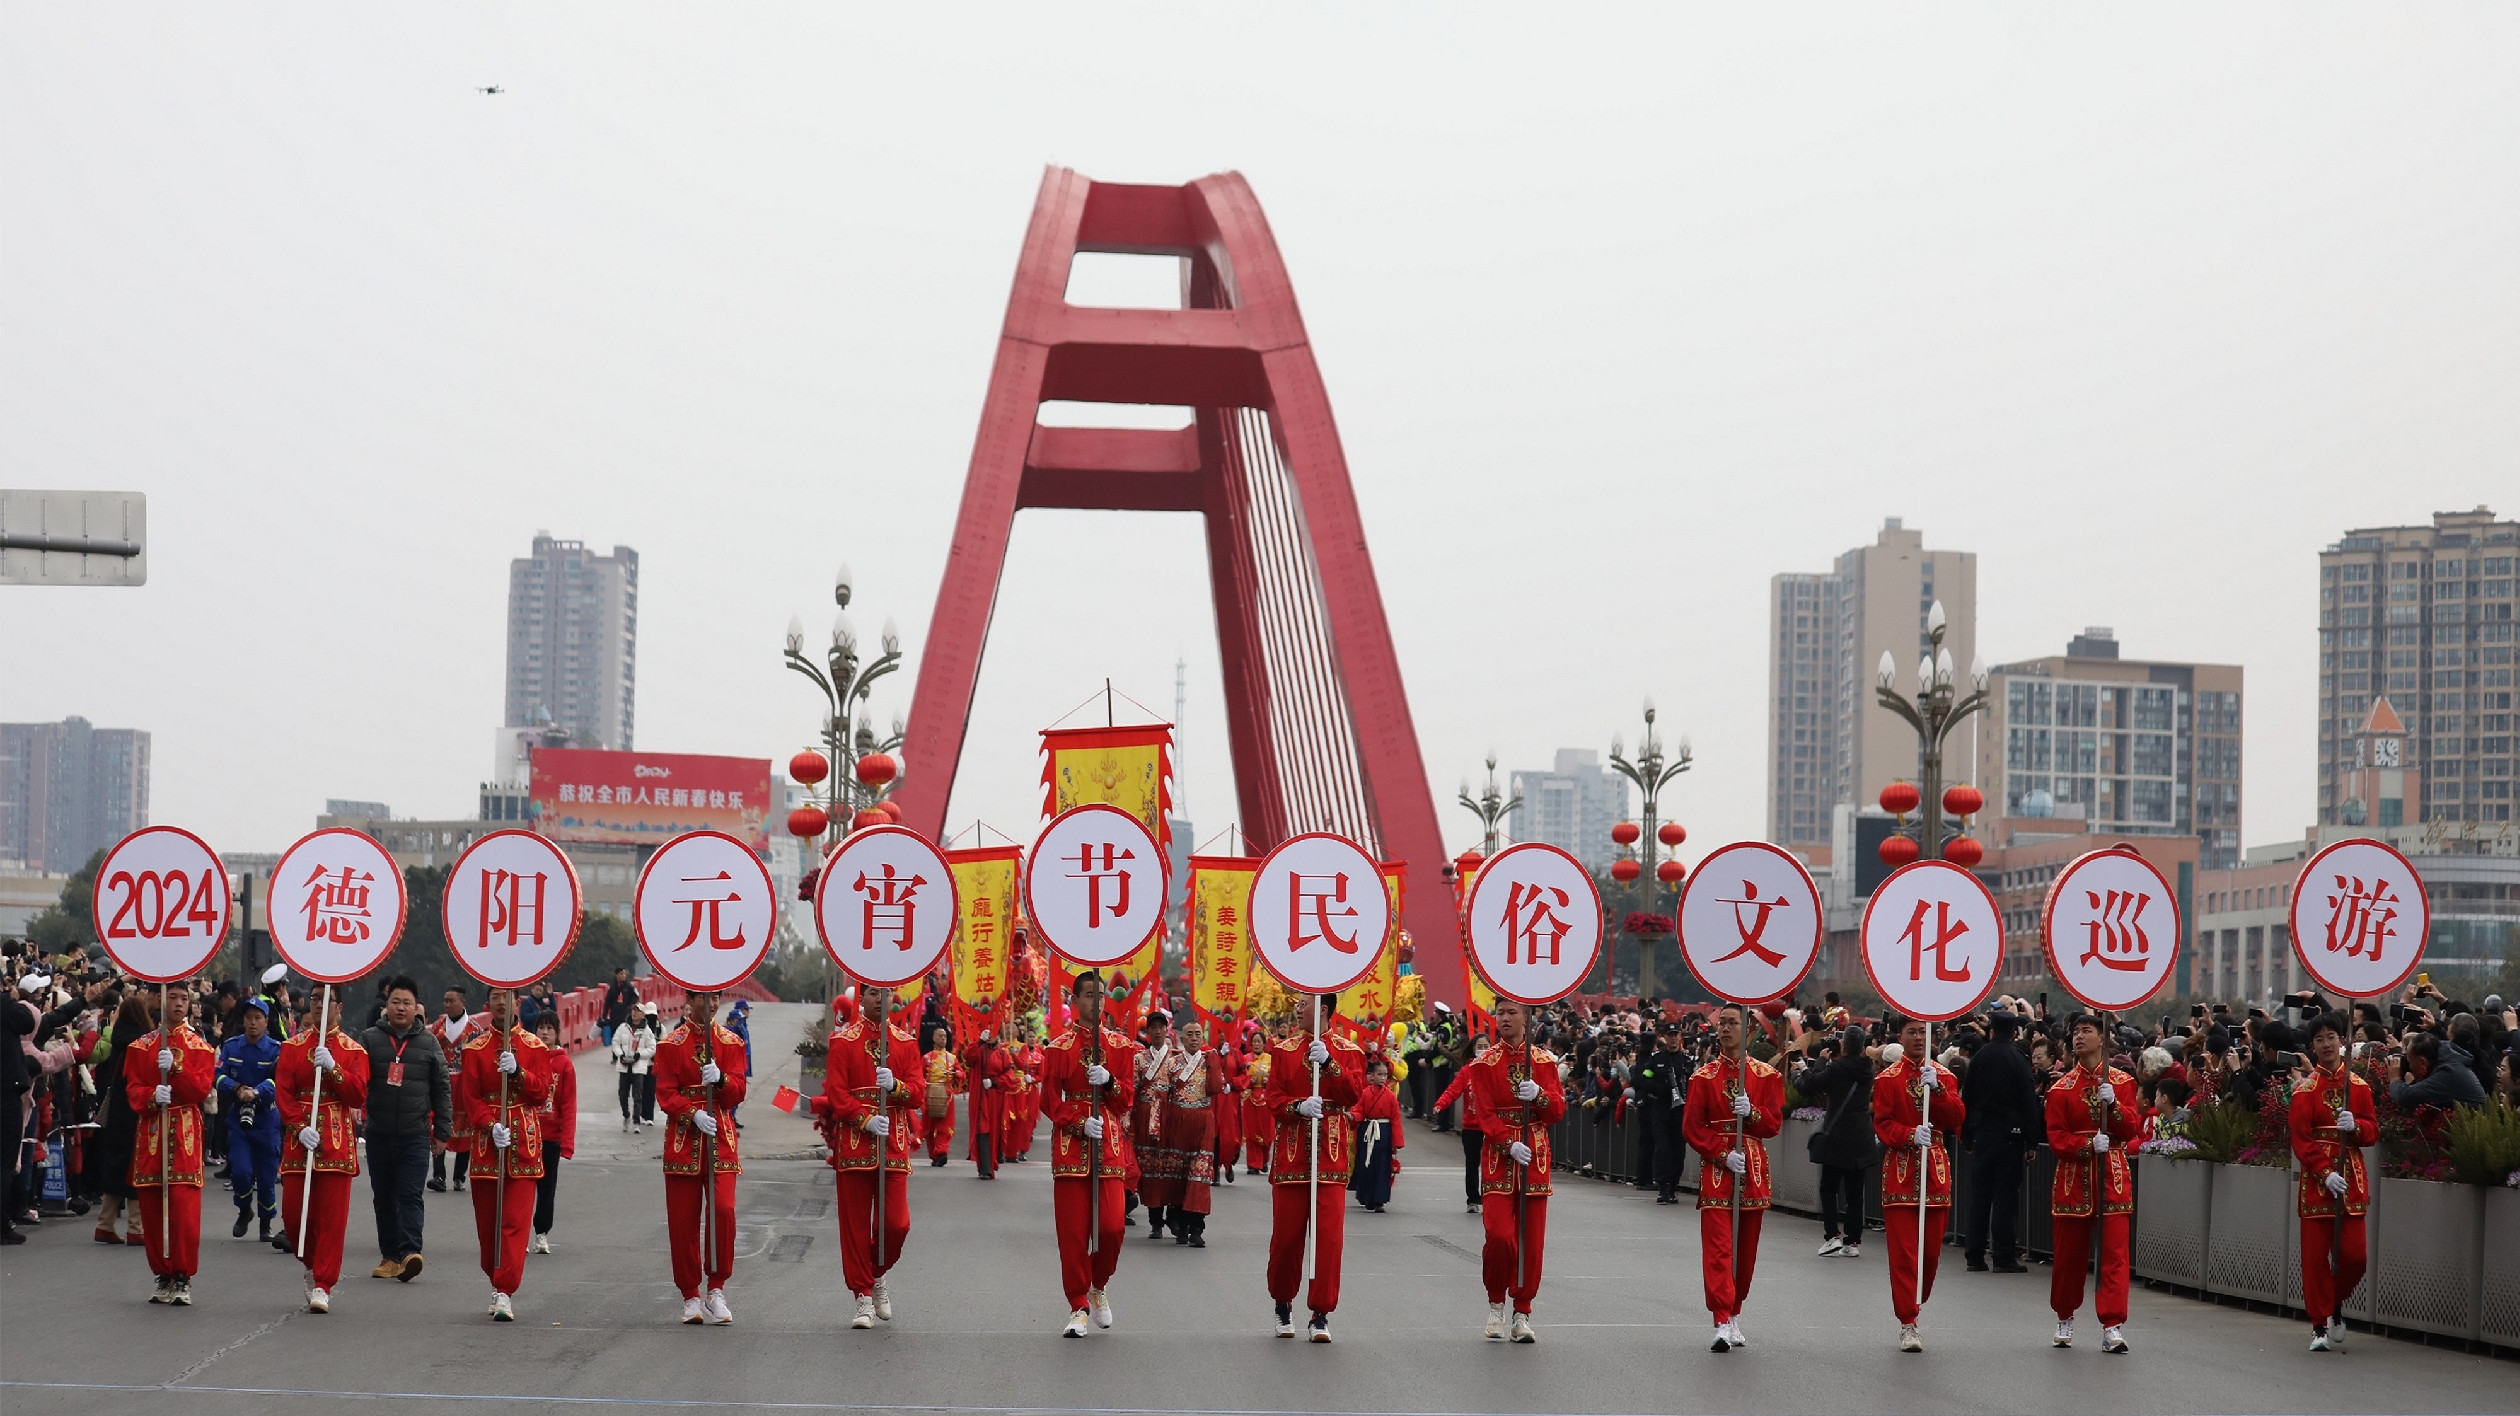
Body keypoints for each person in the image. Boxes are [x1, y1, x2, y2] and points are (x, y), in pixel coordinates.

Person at [812, 984, 921, 1328]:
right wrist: (864, 1117)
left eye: (885, 993)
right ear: (861, 998)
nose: (879, 999)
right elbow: (836, 1092)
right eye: (872, 993)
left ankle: (876, 1273)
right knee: (855, 1226)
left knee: (897, 1223)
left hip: (893, 1143)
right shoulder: (843, 1042)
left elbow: (917, 1093)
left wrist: (896, 1088)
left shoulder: (905, 1043)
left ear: (894, 998)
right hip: (855, 1142)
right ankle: (861, 1296)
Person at [1041, 970, 1140, 1337]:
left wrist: (1111, 1082)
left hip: (1110, 1144)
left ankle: (1099, 1284)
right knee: (1072, 1232)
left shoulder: (1120, 1047)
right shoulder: (1058, 1048)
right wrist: (1077, 1121)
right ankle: (1078, 1304)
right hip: (1071, 1146)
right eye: (1088, 995)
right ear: (1074, 1001)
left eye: (1101, 995)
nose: (1096, 1001)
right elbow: (1049, 1100)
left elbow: (1127, 1097)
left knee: (1113, 1226)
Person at [1263, 993, 1367, 1342]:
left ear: (1323, 1009)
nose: (1297, 1007)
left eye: (1304, 1003)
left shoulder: (1350, 1052)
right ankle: (1282, 1303)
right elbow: (1273, 1099)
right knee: (1287, 1239)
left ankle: (1321, 1313)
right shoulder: (1284, 1050)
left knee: (1329, 1240)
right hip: (1292, 1157)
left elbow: (1355, 1095)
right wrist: (1298, 1107)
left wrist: (1332, 1064)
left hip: (1331, 1158)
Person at [1682, 1003, 1784, 1352]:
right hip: (1718, 1169)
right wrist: (1723, 1154)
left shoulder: (1767, 1076)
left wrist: (1752, 1112)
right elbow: (1692, 1127)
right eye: (1721, 1023)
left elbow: (1772, 1125)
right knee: (1718, 1249)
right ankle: (1721, 1318)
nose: (1725, 1029)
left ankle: (1735, 1311)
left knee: (1745, 1250)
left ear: (1749, 1030)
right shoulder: (1703, 1077)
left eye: (1733, 1023)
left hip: (1752, 1168)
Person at [1462, 998, 1563, 1343]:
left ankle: (1522, 1311)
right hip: (1500, 1156)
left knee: (1531, 1240)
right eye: (1500, 1013)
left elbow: (1558, 1111)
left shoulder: (1545, 1062)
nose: (1504, 1019)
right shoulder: (1484, 1062)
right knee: (1501, 1235)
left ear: (1527, 1017)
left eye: (1511, 1013)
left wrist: (1540, 1095)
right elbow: (1484, 1114)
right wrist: (1507, 1142)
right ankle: (1495, 1303)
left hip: (1535, 1155)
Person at [2044, 1012, 2138, 1352]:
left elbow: (2131, 1129)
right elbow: (2056, 1139)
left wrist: (2113, 1106)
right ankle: (2065, 1316)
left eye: (2087, 1030)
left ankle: (2112, 1324)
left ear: (2103, 1038)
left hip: (2112, 1173)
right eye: (2076, 1032)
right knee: (2069, 1254)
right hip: (2074, 1177)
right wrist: (2086, 1145)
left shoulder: (2124, 1083)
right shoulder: (2060, 1088)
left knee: (2115, 1254)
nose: (2079, 1037)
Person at [654, 989, 747, 1324]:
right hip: (683, 1138)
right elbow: (664, 1093)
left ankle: (716, 1288)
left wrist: (721, 1079)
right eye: (704, 999)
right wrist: (690, 1113)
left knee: (724, 1209)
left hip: (720, 1135)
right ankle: (690, 1294)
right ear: (689, 1001)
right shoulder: (670, 1044)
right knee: (683, 1221)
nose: (711, 1005)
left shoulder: (732, 1042)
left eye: (716, 998)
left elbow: (739, 1090)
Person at [459, 988, 552, 1322]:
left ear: (519, 1002)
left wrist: (519, 1074)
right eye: (496, 996)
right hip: (488, 1144)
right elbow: (470, 1097)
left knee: (515, 1222)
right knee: (489, 1226)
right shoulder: (474, 1049)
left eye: (507, 996)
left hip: (523, 1140)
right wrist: (487, 1124)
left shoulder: (535, 1047)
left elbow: (542, 1092)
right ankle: (494, 1277)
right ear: (488, 1003)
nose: (502, 1002)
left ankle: (505, 1290)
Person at [1873, 1015, 1965, 1352]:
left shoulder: (1946, 1076)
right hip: (1900, 1170)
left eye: (1922, 1032)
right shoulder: (1887, 1079)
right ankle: (1908, 1321)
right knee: (1903, 1253)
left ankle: (1917, 1299)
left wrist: (1938, 1091)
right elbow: (1882, 1124)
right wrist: (1910, 1134)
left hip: (1935, 1171)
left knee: (1929, 1254)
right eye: (1910, 1032)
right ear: (1900, 1036)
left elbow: (1957, 1118)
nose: (1917, 1037)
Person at [276, 990, 369, 1313]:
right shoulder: (292, 1047)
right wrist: (299, 1127)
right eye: (314, 998)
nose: (318, 1004)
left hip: (336, 1140)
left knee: (331, 1217)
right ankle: (313, 1263)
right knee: (293, 1215)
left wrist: (334, 1068)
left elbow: (357, 1095)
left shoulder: (353, 1050)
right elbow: (284, 1093)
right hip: (300, 1139)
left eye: (325, 999)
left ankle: (323, 1282)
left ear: (339, 1007)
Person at [2292, 1011, 2378, 1352]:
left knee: (2355, 1257)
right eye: (2319, 1039)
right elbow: (2300, 1140)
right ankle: (2318, 1325)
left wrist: (2354, 1125)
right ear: (2312, 1047)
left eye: (2331, 1037)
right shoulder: (2304, 1090)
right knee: (2315, 1259)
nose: (2326, 1044)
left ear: (2342, 1041)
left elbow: (2372, 1133)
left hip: (2351, 1180)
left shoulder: (2358, 1087)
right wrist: (2325, 1172)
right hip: (2318, 1181)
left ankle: (2335, 1305)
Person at [126, 987, 218, 1304]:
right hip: (152, 1131)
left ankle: (182, 1275)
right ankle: (162, 1273)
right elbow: (133, 1089)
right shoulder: (140, 1047)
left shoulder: (200, 1047)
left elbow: (200, 1089)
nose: (178, 1004)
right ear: (158, 1001)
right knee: (152, 1206)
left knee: (183, 1207)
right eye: (172, 997)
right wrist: (152, 1095)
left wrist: (177, 1069)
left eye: (183, 998)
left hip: (184, 1132)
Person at [359, 974, 450, 1282]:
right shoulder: (370, 1038)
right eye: (395, 1002)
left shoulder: (428, 1042)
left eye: (406, 1003)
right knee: (383, 1196)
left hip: (414, 1133)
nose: (400, 1008)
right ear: (387, 1006)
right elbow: (357, 1082)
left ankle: (410, 1252)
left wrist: (442, 1132)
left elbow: (441, 1087)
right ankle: (389, 1257)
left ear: (416, 1007)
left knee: (410, 1194)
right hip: (379, 1132)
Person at [1960, 1010, 2039, 1274]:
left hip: (1982, 1133)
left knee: (1979, 1195)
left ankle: (1974, 1255)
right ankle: (2003, 1255)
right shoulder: (2018, 1059)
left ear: (1991, 1030)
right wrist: (2031, 1141)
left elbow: (1967, 1098)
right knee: (2005, 1196)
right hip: (2010, 1136)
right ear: (2015, 1033)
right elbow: (2029, 1102)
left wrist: (1967, 1134)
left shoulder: (1979, 1058)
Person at [1794, 1026, 1875, 1258]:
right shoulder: (1868, 1068)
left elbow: (1811, 1085)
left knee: (1829, 1188)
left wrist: (1815, 1062)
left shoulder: (1838, 1068)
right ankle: (1853, 1242)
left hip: (1838, 1137)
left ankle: (1832, 1237)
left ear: (1843, 1045)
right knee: (1855, 1193)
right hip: (1860, 1137)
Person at [1147, 1017, 1225, 1244]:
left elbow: (1216, 1088)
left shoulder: (1209, 1060)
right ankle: (1179, 1223)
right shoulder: (1171, 1064)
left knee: (1200, 1175)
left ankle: (1197, 1228)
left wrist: (1215, 1062)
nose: (1193, 1038)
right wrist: (1155, 1126)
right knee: (1178, 1175)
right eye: (1189, 1034)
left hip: (1202, 1124)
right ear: (1181, 1038)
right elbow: (1160, 1096)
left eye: (1198, 1034)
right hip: (1177, 1125)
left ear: (1203, 1038)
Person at [213, 997, 283, 1243]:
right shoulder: (232, 1047)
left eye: (257, 1018)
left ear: (266, 1021)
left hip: (266, 1120)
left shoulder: (276, 1049)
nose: (252, 1023)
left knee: (266, 1178)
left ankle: (266, 1222)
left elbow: (280, 1081)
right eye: (248, 1018)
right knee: (241, 1172)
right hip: (238, 1118)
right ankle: (244, 1210)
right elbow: (218, 1077)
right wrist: (237, 1088)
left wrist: (257, 1091)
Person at [529, 1012, 574, 1254]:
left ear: (557, 1033)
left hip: (550, 1137)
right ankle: (518, 1234)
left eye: (549, 1028)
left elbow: (568, 1104)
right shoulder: (526, 1056)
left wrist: (567, 1142)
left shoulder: (564, 1064)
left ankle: (542, 1233)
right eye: (540, 1028)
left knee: (546, 1188)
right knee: (523, 1187)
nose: (544, 1032)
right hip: (526, 1134)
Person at [1632, 1019, 1689, 1203]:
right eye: (1670, 1036)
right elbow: (1643, 1079)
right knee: (1662, 1149)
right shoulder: (1656, 1060)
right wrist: (1660, 1088)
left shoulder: (1687, 1061)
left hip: (1680, 1111)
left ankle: (1673, 1185)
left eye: (1676, 1035)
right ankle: (1663, 1187)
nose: (1673, 1039)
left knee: (1678, 1150)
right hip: (1661, 1110)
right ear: (1664, 1037)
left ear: (1679, 1037)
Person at [432, 987, 477, 1191]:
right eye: (445, 1001)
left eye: (452, 1001)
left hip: (465, 1087)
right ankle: (439, 1175)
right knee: (439, 1127)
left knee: (465, 1131)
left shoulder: (474, 1030)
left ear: (463, 1002)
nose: (447, 1005)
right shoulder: (437, 1028)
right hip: (442, 1086)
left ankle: (459, 1176)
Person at [965, 1027, 1012, 1179]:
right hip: (979, 1096)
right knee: (982, 1129)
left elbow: (1009, 1077)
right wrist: (979, 1041)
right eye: (988, 1033)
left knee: (994, 1130)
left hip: (995, 1097)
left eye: (994, 1033)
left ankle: (991, 1163)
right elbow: (968, 1057)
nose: (991, 1037)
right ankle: (984, 1167)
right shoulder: (978, 1049)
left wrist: (994, 1082)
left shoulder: (1003, 1054)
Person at [611, 1001, 655, 1132]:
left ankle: (636, 1121)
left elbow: (653, 1048)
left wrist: (639, 1055)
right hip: (624, 1067)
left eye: (638, 1011)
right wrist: (620, 1055)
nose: (634, 1013)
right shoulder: (623, 1027)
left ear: (643, 1015)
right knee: (622, 1094)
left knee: (637, 1095)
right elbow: (615, 1042)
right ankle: (626, 1114)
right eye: (633, 1010)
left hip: (638, 1067)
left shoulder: (646, 1031)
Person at [922, 1031, 964, 1167]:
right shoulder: (926, 1058)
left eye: (945, 1036)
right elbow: (918, 1075)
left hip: (946, 1095)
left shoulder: (952, 1058)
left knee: (945, 1126)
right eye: (940, 1036)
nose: (943, 1038)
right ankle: (934, 1154)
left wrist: (957, 1073)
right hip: (931, 1094)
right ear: (933, 1038)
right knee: (929, 1126)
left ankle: (942, 1152)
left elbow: (961, 1073)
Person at [600, 968, 638, 1037]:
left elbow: (636, 996)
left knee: (625, 1035)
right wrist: (604, 1016)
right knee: (615, 1036)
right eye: (621, 974)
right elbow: (607, 1002)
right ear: (617, 975)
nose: (623, 976)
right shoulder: (613, 987)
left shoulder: (629, 987)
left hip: (625, 1015)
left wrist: (630, 1005)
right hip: (614, 1016)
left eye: (624, 974)